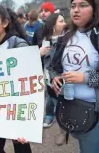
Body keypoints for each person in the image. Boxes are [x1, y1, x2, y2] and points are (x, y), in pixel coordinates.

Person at [50, 0, 99, 153]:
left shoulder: (98, 35)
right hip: (71, 106)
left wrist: (84, 77)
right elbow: (54, 66)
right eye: (73, 6)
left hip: (97, 110)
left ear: (95, 8)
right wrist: (55, 77)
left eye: (83, 5)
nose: (76, 10)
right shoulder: (66, 34)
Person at [0, 4, 31, 153]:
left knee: (21, 147)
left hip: (16, 108)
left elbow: (30, 82)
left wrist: (27, 121)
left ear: (5, 23)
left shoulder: (18, 45)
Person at [39, 13, 66, 146]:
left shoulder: (68, 40)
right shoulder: (46, 41)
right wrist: (39, 53)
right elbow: (45, 63)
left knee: (68, 108)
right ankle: (63, 132)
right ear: (53, 26)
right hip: (50, 83)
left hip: (64, 81)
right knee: (58, 108)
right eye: (61, 21)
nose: (65, 23)